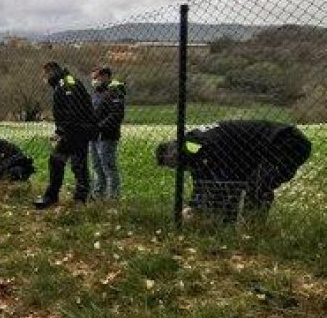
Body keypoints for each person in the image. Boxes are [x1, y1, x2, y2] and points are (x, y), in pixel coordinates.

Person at [156, 120, 312, 222]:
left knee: (256, 187)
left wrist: (200, 208)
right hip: (269, 147)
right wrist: (195, 205)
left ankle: (252, 231)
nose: (178, 169)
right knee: (251, 185)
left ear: (174, 154)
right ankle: (247, 228)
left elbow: (221, 180)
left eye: (173, 165)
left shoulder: (195, 145)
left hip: (285, 141)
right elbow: (202, 179)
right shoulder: (193, 145)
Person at [34, 62, 96, 209]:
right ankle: (79, 199)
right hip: (78, 130)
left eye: (44, 75)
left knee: (61, 161)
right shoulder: (66, 82)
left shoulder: (66, 85)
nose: (44, 78)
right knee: (76, 163)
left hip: (76, 131)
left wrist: (60, 131)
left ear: (50, 72)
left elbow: (72, 111)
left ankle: (56, 197)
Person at [89, 67, 126, 200]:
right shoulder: (96, 93)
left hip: (107, 136)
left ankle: (113, 197)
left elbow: (116, 115)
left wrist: (99, 127)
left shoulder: (115, 92)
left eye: (96, 78)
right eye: (92, 78)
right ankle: (98, 194)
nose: (94, 81)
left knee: (108, 167)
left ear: (105, 76)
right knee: (96, 167)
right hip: (93, 136)